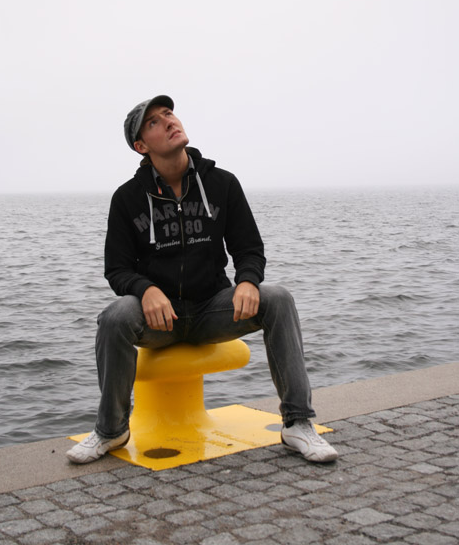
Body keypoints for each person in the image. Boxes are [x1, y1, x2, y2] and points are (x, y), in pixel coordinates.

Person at [66, 95, 338, 464]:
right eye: (154, 122)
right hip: (160, 318)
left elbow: (249, 248)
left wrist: (247, 281)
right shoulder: (127, 198)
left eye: (168, 113)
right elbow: (117, 269)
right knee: (114, 317)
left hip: (213, 309)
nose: (168, 121)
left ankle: (298, 423)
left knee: (278, 298)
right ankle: (111, 430)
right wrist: (146, 290)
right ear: (141, 146)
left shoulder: (221, 183)